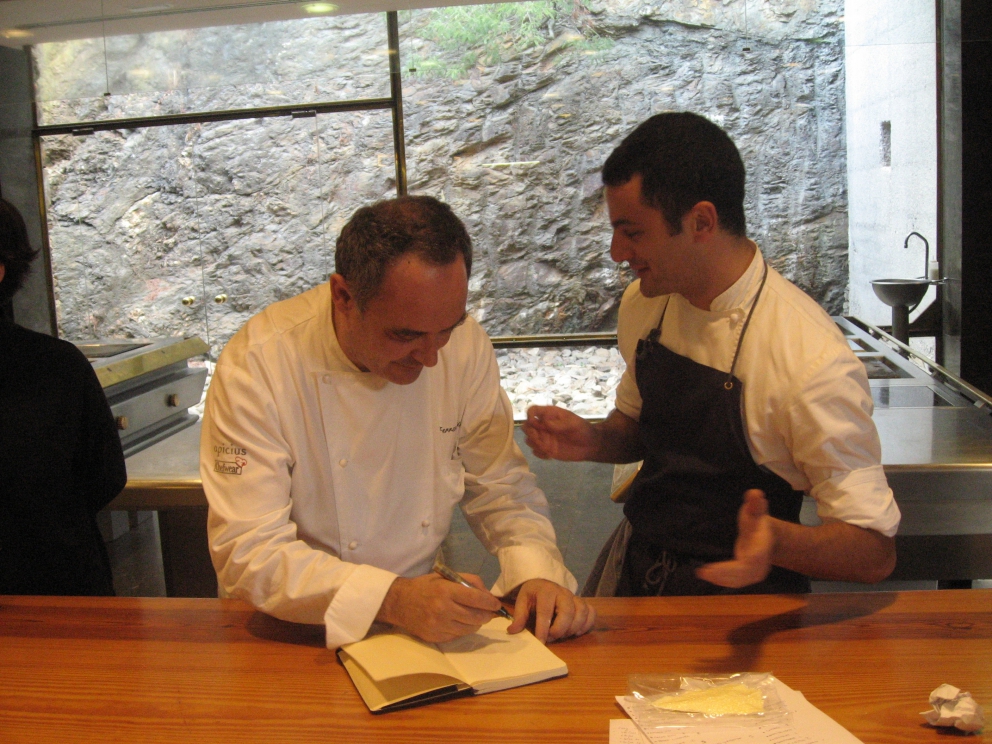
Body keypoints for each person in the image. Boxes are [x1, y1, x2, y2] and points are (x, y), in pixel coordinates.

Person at [523, 113, 901, 596]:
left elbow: (874, 550)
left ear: (702, 221)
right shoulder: (646, 303)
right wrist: (594, 442)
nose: (618, 252)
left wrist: (778, 542)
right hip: (637, 571)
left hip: (743, 611)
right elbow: (639, 430)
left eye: (633, 232)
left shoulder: (808, 359)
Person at [201, 195, 594, 648]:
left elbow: (500, 483)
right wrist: (390, 598)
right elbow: (249, 550)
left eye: (446, 329)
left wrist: (536, 574)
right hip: (286, 628)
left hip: (417, 629)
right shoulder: (259, 364)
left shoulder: (464, 348)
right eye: (405, 335)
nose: (430, 358)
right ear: (344, 296)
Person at [0, 197, 127, 595]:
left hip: (52, 595)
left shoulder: (55, 366)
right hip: (58, 579)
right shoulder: (57, 364)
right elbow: (104, 476)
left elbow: (104, 473)